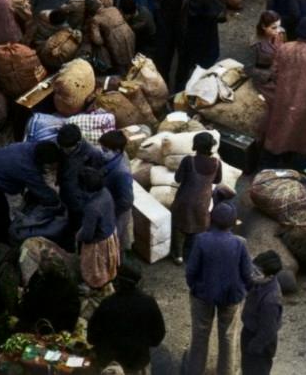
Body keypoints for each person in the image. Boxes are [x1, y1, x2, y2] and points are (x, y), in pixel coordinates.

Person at [184, 201, 254, 375]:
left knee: (200, 336)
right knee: (229, 337)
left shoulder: (201, 240)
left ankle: (195, 371)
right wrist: (243, 291)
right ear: (233, 223)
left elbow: (191, 271)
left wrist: (195, 287)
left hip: (202, 296)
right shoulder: (240, 243)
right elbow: (247, 274)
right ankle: (227, 371)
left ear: (212, 219)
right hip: (231, 297)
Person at [257, 16, 306, 168]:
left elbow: (274, 72)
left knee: (281, 126)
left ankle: (272, 159)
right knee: (303, 131)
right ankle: (296, 164)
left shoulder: (284, 48)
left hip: (283, 96)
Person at [0, 140, 61, 253]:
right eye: (50, 167)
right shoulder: (27, 167)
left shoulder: (32, 147)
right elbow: (44, 193)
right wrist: (59, 203)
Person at [86, 260, 166, 373]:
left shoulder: (107, 304)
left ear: (118, 283)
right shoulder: (149, 303)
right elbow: (158, 336)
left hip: (110, 363)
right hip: (138, 362)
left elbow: (91, 337)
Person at [171, 132, 223, 264]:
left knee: (179, 225)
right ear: (211, 146)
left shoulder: (188, 161)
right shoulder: (217, 163)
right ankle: (193, 254)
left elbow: (178, 179)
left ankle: (178, 255)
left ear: (195, 145)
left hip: (184, 201)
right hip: (202, 203)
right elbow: (217, 180)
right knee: (199, 226)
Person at [241, 250, 285, 374]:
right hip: (250, 333)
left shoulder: (270, 301)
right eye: (253, 269)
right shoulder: (260, 282)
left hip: (259, 344)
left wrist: (253, 348)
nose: (252, 274)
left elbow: (268, 331)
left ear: (270, 276)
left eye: (257, 273)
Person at [76, 167, 119, 292]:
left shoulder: (92, 207)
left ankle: (93, 285)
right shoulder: (105, 192)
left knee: (94, 268)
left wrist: (78, 237)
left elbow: (88, 234)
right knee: (106, 264)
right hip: (110, 234)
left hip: (98, 243)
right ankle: (107, 279)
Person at [98, 130, 135, 250]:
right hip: (110, 207)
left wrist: (110, 212)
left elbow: (126, 201)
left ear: (117, 151)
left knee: (113, 244)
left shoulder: (121, 173)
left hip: (117, 213)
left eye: (105, 150)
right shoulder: (112, 159)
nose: (102, 152)